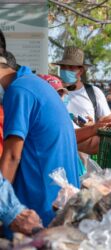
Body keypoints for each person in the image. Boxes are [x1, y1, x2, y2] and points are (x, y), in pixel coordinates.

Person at [0, 56, 80, 227]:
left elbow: (12, 156)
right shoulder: (35, 84)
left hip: (39, 206)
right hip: (59, 200)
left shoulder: (19, 91)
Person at [53, 46, 111, 123]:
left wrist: (93, 127)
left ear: (80, 71)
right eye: (63, 67)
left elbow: (107, 121)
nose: (66, 70)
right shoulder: (53, 92)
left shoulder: (94, 92)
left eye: (71, 67)